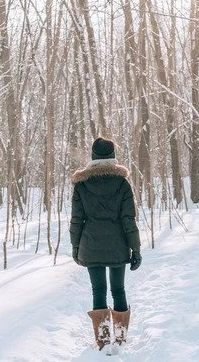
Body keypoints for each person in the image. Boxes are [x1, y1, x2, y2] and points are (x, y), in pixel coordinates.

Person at [70, 137, 142, 351]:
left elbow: (77, 220)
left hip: (90, 246)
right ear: (112, 158)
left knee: (98, 290)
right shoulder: (122, 183)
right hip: (118, 246)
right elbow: (128, 219)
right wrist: (135, 248)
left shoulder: (81, 185)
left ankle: (102, 343)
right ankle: (119, 340)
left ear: (93, 158)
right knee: (118, 289)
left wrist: (75, 247)